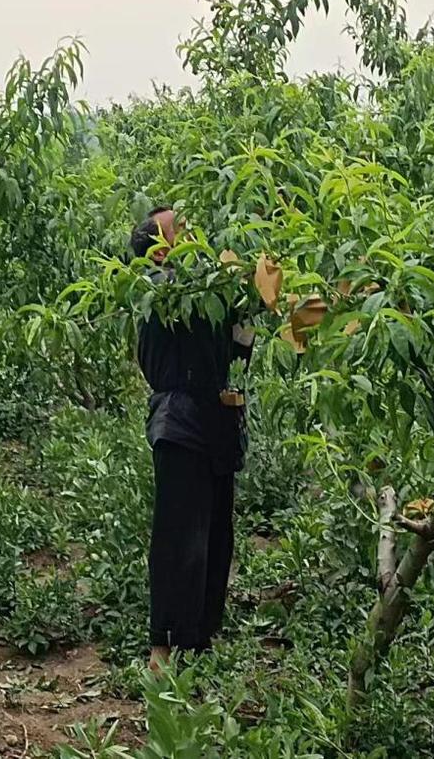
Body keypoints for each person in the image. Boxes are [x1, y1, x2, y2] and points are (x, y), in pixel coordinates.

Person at [130, 206, 253, 671]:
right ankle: (164, 645)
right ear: (160, 249)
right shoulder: (160, 290)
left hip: (217, 421)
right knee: (179, 537)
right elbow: (195, 297)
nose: (190, 229)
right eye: (177, 227)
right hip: (179, 420)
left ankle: (199, 641)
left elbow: (240, 345)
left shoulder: (211, 292)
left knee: (215, 537)